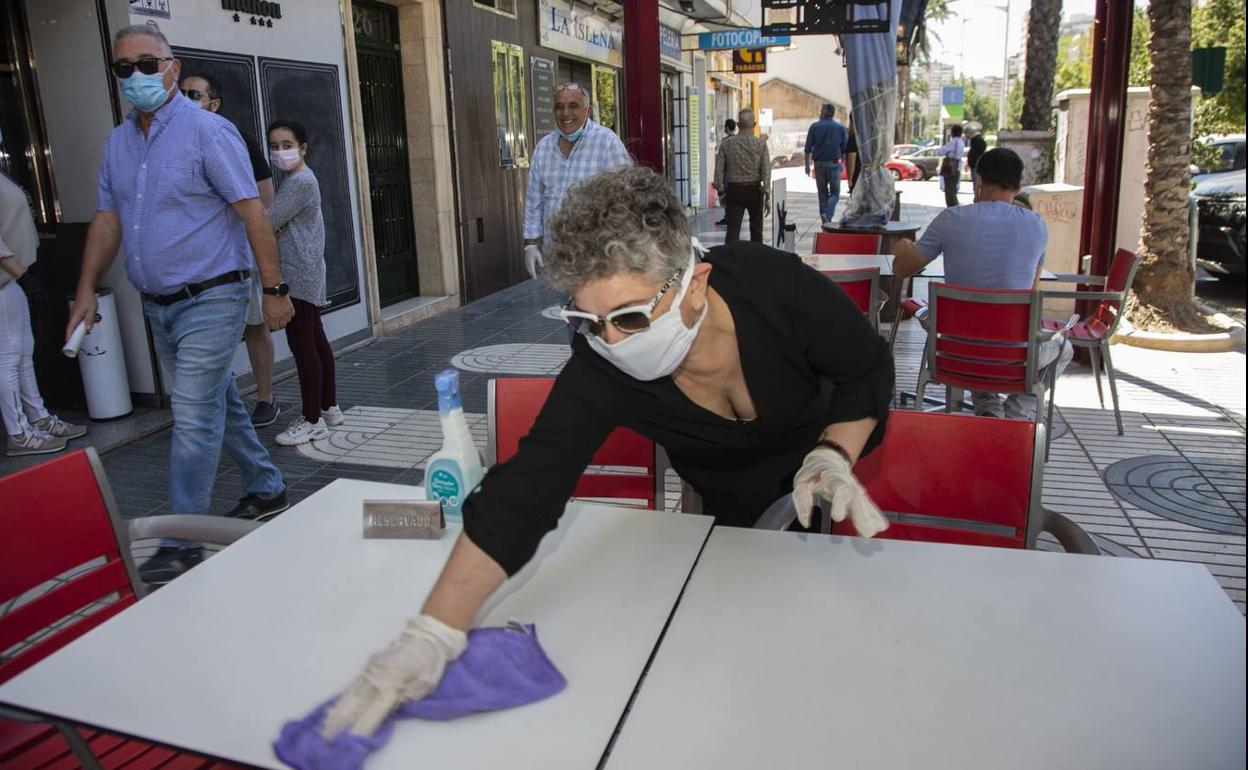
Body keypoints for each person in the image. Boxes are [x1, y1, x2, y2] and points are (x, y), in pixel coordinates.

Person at [317, 166, 894, 739]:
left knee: (830, 677)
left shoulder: (774, 287)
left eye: (631, 316)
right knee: (732, 684)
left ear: (694, 283)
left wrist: (832, 453)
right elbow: (525, 492)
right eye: (588, 321)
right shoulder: (604, 364)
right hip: (729, 519)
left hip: (829, 477)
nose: (613, 341)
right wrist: (431, 634)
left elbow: (865, 365)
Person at [67, 23, 295, 584]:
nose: (138, 75)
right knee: (220, 403)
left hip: (212, 296)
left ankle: (180, 541)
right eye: (125, 68)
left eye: (149, 63)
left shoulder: (208, 132)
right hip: (158, 305)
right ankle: (267, 490)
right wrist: (83, 289)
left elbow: (252, 214)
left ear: (172, 66)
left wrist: (273, 291)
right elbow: (107, 217)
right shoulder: (119, 143)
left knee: (192, 415)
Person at [892, 147, 1071, 419]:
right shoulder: (1037, 225)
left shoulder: (950, 220)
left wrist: (903, 246)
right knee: (1064, 348)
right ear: (1019, 186)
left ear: (978, 181)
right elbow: (1031, 288)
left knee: (975, 332)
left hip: (955, 353)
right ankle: (1014, 416)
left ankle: (989, 412)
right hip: (1013, 355)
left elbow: (901, 270)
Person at [180, 72, 281, 428]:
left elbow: (265, 199)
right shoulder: (171, 141)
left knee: (254, 327)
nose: (185, 98)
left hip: (236, 256)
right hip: (193, 265)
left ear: (214, 103)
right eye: (182, 92)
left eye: (194, 94)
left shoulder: (236, 139)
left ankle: (265, 397)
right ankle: (221, 404)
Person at [265, 120, 343, 446]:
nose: (280, 152)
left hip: (297, 273)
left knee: (303, 346)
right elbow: (275, 224)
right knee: (316, 340)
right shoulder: (299, 180)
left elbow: (267, 222)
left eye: (287, 145)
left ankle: (311, 419)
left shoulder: (298, 182)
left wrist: (271, 226)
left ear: (303, 148)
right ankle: (328, 407)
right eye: (275, 146)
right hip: (307, 269)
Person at [1, 170, 85, 456]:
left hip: (11, 277)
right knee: (9, 356)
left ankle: (38, 418)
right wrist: (21, 274)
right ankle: (18, 432)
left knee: (24, 351)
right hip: (7, 277)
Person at [522, 83, 631, 280]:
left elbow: (627, 198)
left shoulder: (607, 142)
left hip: (598, 258)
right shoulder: (544, 148)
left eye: (573, 106)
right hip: (556, 258)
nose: (565, 113)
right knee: (557, 311)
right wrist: (530, 245)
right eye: (559, 107)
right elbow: (534, 200)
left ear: (587, 110)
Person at [714, 108, 770, 244]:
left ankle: (731, 260)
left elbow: (718, 170)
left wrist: (721, 192)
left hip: (734, 191)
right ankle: (756, 259)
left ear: (738, 125)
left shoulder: (726, 144)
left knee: (733, 229)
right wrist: (767, 194)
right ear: (754, 124)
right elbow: (766, 172)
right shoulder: (761, 144)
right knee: (756, 229)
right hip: (754, 191)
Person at [804, 103, 848, 224]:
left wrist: (807, 166)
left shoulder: (815, 127)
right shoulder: (840, 128)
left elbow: (808, 148)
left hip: (819, 164)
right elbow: (845, 148)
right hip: (834, 164)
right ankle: (828, 214)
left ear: (823, 112)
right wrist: (843, 164)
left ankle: (825, 216)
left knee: (822, 193)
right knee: (835, 192)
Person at [714, 118, 737, 226]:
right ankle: (732, 217)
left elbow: (720, 163)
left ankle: (728, 217)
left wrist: (718, 181)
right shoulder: (738, 140)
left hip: (727, 172)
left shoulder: (725, 142)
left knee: (726, 196)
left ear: (727, 128)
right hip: (737, 172)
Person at [938, 124, 966, 207]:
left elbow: (941, 151)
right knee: (953, 189)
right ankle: (955, 206)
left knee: (949, 191)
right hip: (957, 167)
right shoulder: (961, 142)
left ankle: (952, 207)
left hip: (950, 168)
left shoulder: (953, 142)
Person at [966, 126, 988, 191]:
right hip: (974, 164)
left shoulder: (978, 140)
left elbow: (978, 153)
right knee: (975, 181)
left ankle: (977, 195)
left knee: (976, 181)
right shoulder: (975, 140)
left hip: (976, 164)